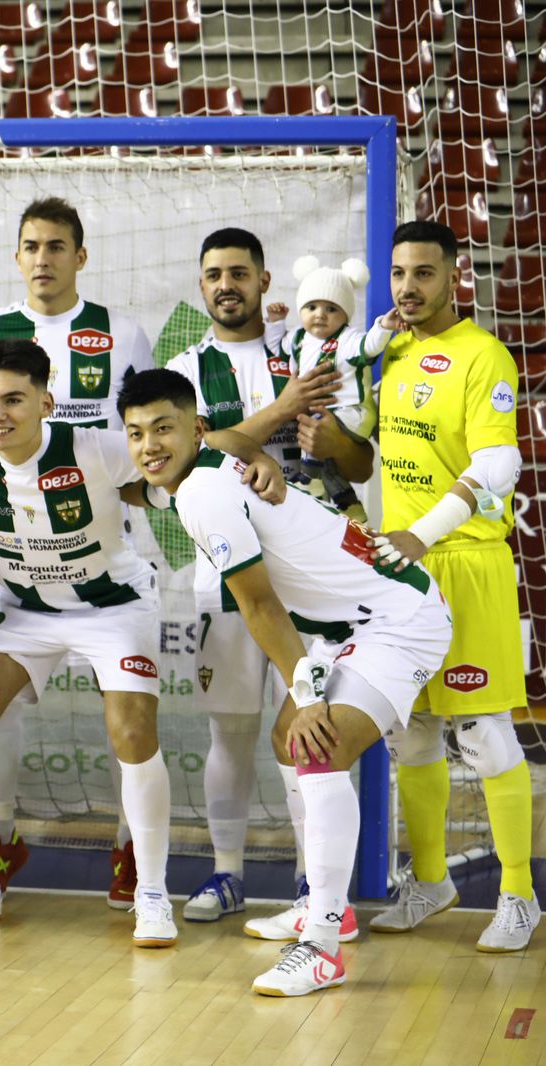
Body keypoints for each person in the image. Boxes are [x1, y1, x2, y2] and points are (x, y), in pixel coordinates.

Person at [0, 339, 283, 945]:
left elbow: (198, 445)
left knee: (131, 729)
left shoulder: (100, 447)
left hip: (112, 607)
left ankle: (153, 894)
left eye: (14, 401)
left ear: (47, 403)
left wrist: (258, 456)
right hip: (22, 612)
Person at [120, 366, 452, 996]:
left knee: (315, 744)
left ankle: (324, 942)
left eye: (163, 429)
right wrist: (259, 455)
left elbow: (260, 607)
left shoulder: (201, 495)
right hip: (347, 620)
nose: (149, 446)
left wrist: (305, 695)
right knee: (286, 740)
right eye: (136, 434)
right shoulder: (211, 456)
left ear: (195, 428)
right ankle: (328, 903)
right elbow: (235, 443)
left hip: (397, 618)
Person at [308, 220, 538, 952]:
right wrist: (324, 430)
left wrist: (422, 534)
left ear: (453, 276)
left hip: (465, 563)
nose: (409, 287)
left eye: (424, 274)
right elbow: (363, 454)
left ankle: (519, 896)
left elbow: (499, 465)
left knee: (488, 735)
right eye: (399, 274)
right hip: (401, 574)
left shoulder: (484, 357)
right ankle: (432, 880)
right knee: (412, 733)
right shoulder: (390, 352)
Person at [0, 195, 159, 906]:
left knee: (127, 722)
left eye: (56, 246)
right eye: (31, 246)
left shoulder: (120, 332)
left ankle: (136, 865)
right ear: (17, 256)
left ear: (79, 256)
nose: (43, 259)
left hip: (100, 541)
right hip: (20, 570)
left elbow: (153, 437)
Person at [162, 227, 346, 926]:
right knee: (232, 732)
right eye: (213, 274)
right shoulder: (184, 368)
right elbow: (196, 452)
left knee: (308, 727)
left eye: (238, 272)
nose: (225, 285)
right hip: (226, 577)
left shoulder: (303, 355)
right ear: (201, 285)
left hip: (307, 579)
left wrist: (331, 436)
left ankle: (311, 888)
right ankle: (228, 873)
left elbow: (352, 461)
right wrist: (281, 410)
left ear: (266, 282)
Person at [262, 255, 396, 522]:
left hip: (352, 413)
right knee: (330, 466)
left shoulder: (347, 339)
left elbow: (369, 346)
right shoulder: (299, 338)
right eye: (311, 307)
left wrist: (382, 327)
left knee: (313, 425)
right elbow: (276, 345)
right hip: (329, 415)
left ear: (345, 315)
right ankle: (350, 506)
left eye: (331, 308)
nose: (320, 314)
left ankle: (308, 479)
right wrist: (276, 321)